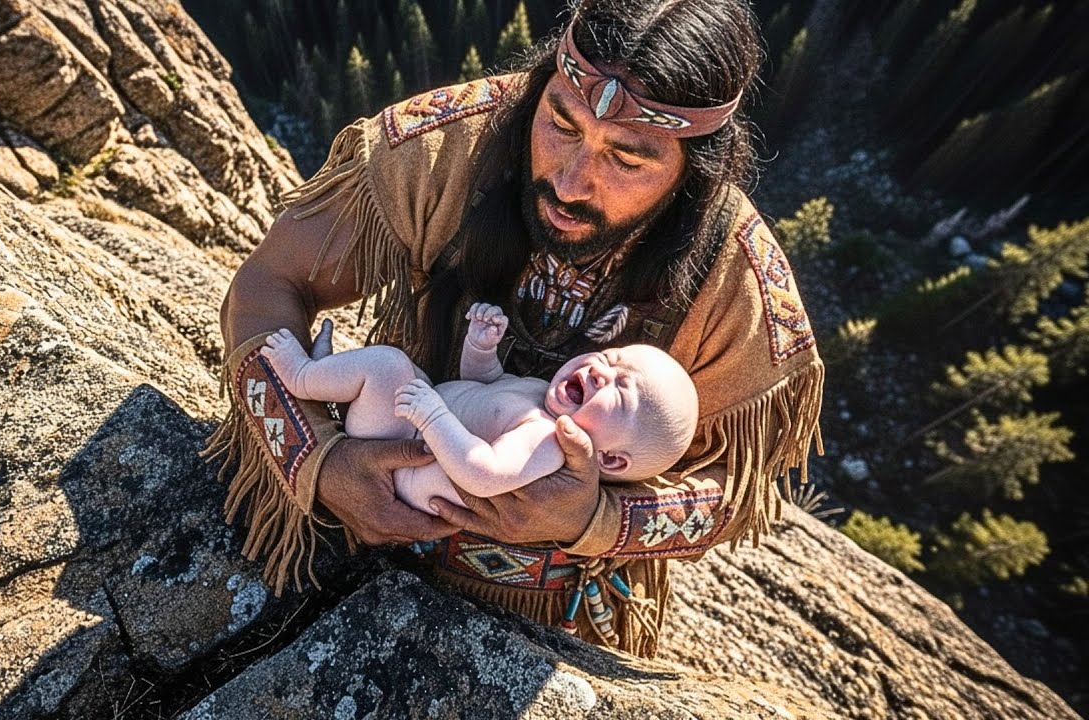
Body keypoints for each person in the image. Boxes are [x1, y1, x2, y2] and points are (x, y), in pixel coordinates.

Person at [206, 0, 823, 656]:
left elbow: (741, 491)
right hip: (337, 528)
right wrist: (318, 458)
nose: (570, 180)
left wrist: (595, 518)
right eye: (559, 122)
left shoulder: (739, 282)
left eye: (628, 158)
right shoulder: (443, 144)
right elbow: (267, 285)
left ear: (694, 164)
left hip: (551, 613)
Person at [259, 302, 699, 514]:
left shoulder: (546, 442)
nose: (602, 370)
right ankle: (323, 376)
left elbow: (483, 474)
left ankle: (299, 376)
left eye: (620, 391)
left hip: (398, 463)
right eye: (610, 357)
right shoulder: (538, 394)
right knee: (401, 368)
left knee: (389, 366)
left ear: (610, 459)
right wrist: (481, 348)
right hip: (405, 431)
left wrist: (433, 417)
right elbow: (480, 386)